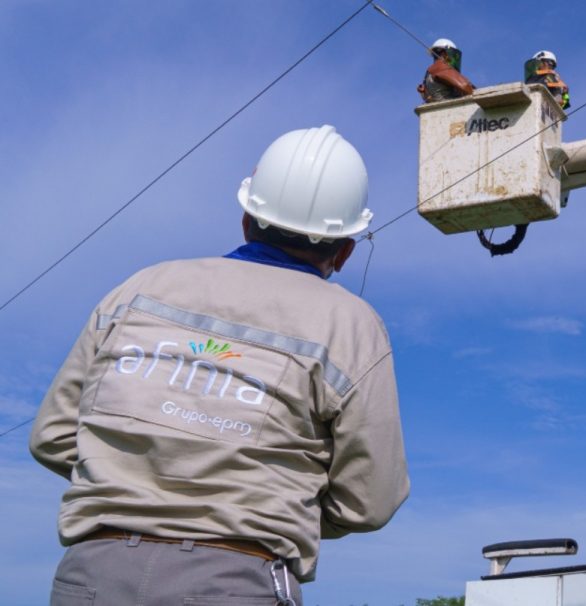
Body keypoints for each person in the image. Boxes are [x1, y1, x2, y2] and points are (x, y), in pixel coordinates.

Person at [30, 125, 409, 605]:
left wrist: (134, 477)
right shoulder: (350, 324)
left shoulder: (142, 288)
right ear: (346, 247)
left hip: (90, 575)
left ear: (247, 218)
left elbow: (53, 436)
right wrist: (272, 506)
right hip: (236, 579)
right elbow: (369, 501)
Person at [418, 37, 475, 103]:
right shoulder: (440, 66)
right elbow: (465, 86)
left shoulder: (429, 72)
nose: (452, 60)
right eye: (453, 56)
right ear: (444, 54)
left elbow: (429, 98)